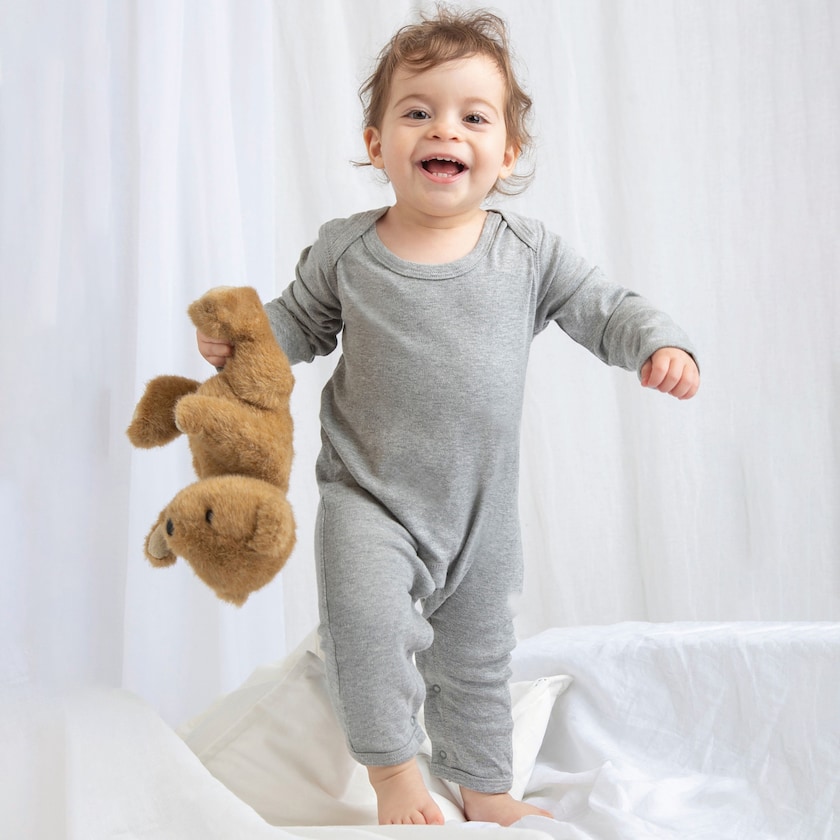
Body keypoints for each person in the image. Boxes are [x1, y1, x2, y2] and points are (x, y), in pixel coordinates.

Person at [198, 7, 700, 827]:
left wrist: (659, 342)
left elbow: (604, 306)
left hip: (479, 512)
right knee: (367, 631)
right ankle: (395, 773)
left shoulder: (528, 254)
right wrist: (246, 340)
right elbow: (295, 323)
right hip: (370, 497)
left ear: (508, 153)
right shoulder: (348, 252)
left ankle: (484, 785)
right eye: (418, 112)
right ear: (377, 144)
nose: (445, 130)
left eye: (473, 117)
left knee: (477, 652)